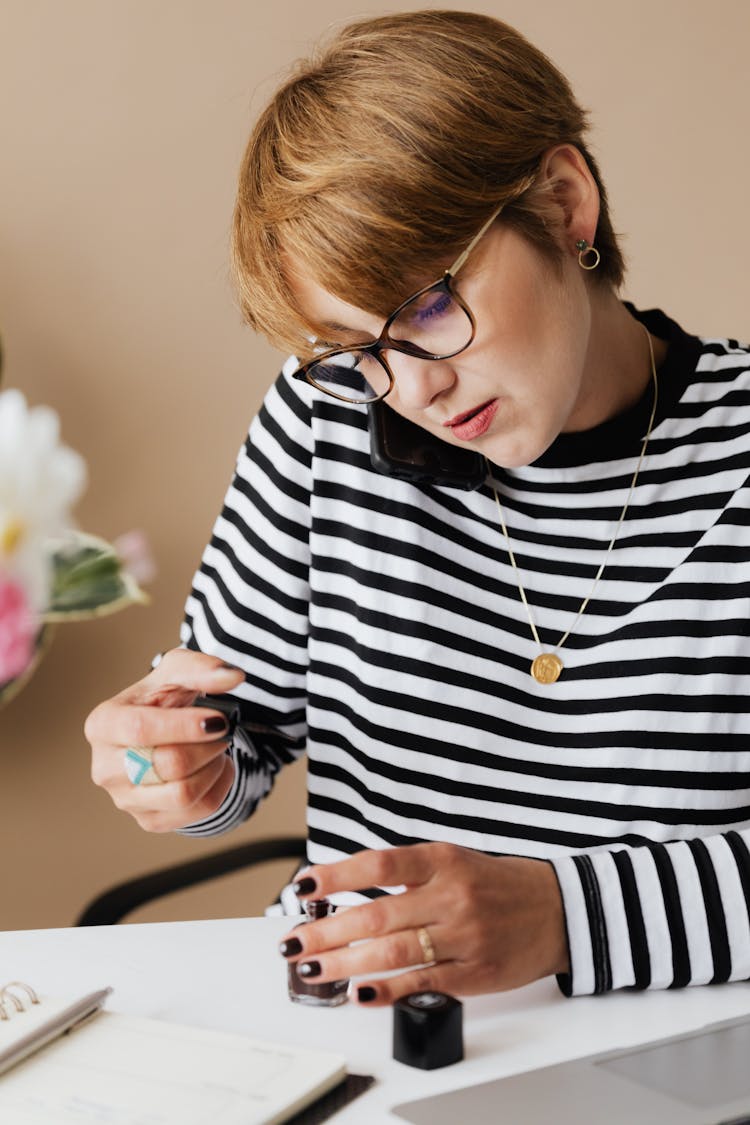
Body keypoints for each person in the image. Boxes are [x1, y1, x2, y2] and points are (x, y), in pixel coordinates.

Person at [84, 9, 750, 1004]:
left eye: (428, 308)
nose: (412, 392)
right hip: (360, 1043)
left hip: (681, 1067)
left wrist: (566, 918)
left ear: (566, 203)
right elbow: (239, 736)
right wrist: (179, 770)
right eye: (357, 349)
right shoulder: (325, 422)